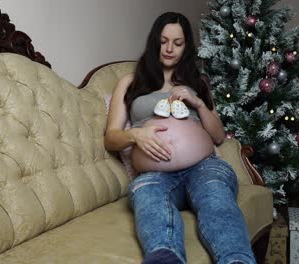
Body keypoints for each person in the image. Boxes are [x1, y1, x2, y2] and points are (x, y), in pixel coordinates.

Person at [104, 12, 256, 264]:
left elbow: (218, 136)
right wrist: (135, 135)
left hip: (205, 167)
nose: (169, 49)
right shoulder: (130, 82)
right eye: (163, 41)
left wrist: (197, 100)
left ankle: (236, 260)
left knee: (216, 198)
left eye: (177, 43)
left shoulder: (197, 82)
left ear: (187, 47)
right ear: (154, 41)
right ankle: (166, 258)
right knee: (147, 197)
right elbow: (111, 138)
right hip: (155, 175)